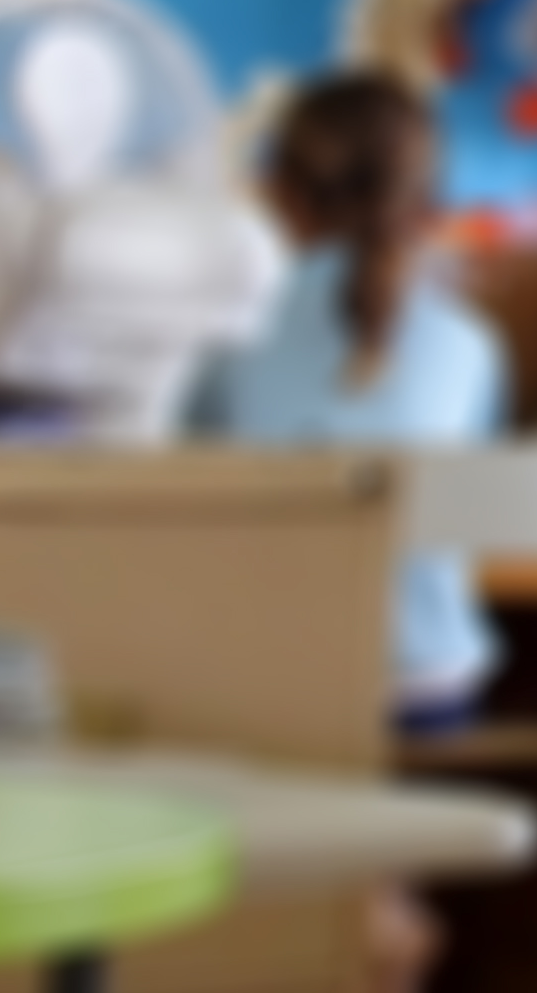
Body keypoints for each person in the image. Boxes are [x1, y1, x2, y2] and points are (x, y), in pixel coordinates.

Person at [189, 69, 504, 722]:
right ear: (430, 202)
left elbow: (180, 490)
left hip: (272, 687)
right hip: (428, 695)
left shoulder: (233, 326)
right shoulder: (473, 346)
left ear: (278, 191)